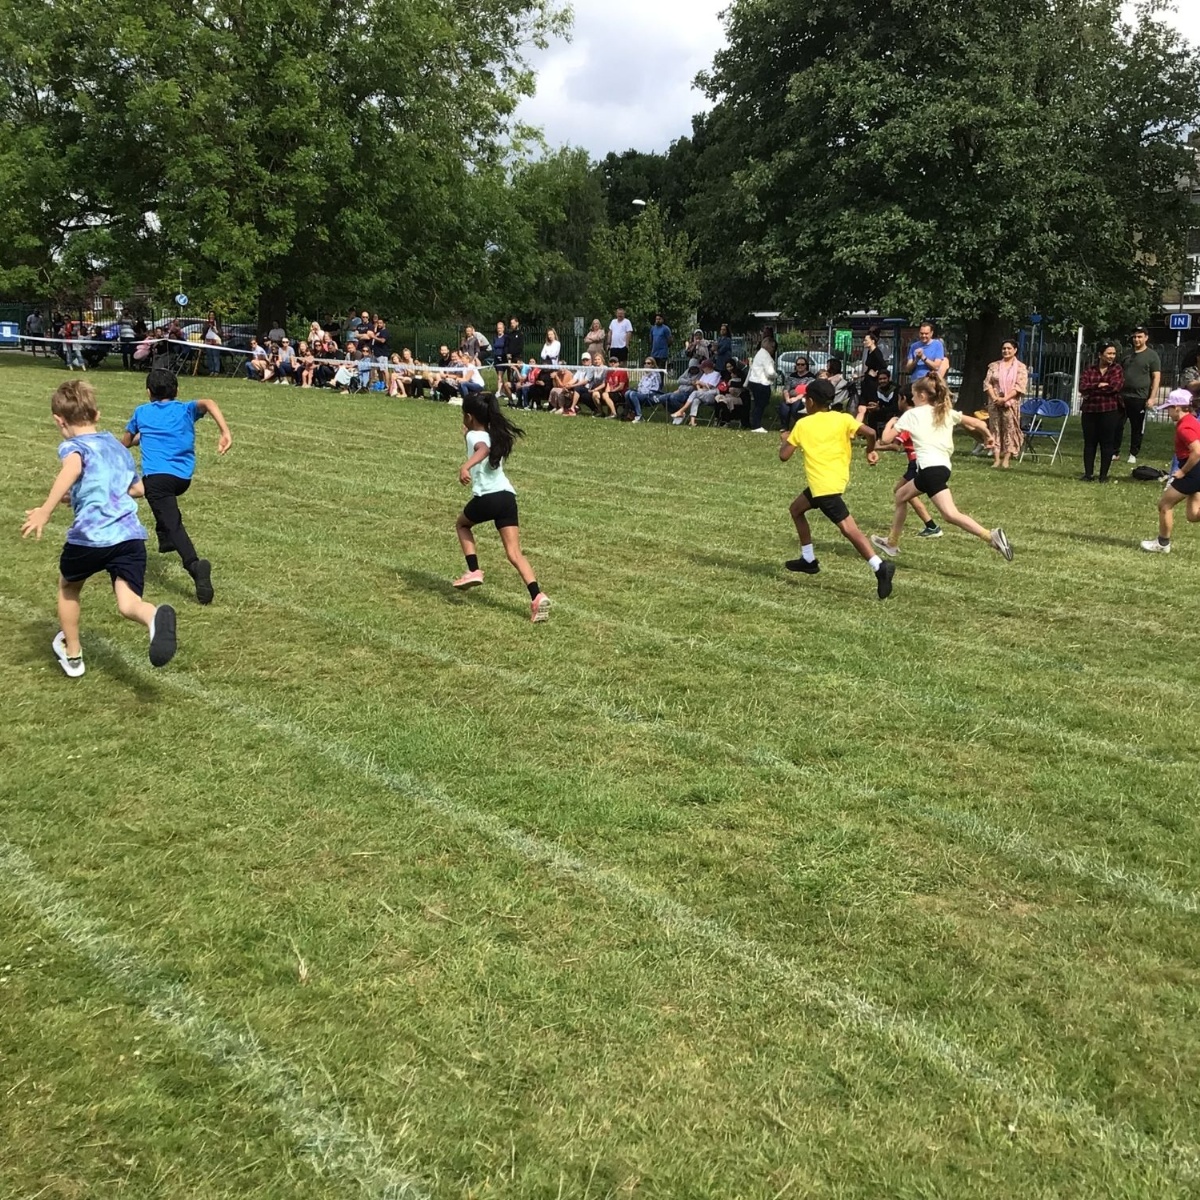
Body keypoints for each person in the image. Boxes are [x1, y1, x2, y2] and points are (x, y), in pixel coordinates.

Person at [20, 379, 178, 676]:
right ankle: (154, 617)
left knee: (68, 587)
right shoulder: (118, 448)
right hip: (129, 537)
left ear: (59, 420)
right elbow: (138, 489)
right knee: (128, 602)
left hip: (90, 538)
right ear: (97, 415)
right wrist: (85, 493)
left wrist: (45, 509)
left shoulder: (73, 447)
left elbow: (74, 468)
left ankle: (74, 654)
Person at [121, 367, 232, 605]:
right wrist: (225, 432)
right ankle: (165, 539)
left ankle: (194, 565)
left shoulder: (141, 412)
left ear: (148, 392)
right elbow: (210, 403)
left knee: (172, 522)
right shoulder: (185, 409)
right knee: (164, 508)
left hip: (157, 479)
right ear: (177, 390)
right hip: (182, 478)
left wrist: (129, 441)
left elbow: (126, 443)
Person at [777, 377, 895, 600]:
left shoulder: (803, 424)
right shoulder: (843, 419)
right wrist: (870, 450)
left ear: (810, 402)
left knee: (849, 529)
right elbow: (870, 433)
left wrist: (785, 439)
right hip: (833, 481)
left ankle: (879, 566)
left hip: (823, 487)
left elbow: (784, 456)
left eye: (805, 400)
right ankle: (808, 559)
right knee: (796, 509)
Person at [874, 374, 1011, 560]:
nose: (912, 399)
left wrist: (891, 422)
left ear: (922, 395)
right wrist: (988, 436)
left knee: (949, 514)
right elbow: (978, 423)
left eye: (913, 395)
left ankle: (990, 536)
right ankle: (891, 542)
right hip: (942, 469)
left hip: (929, 470)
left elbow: (886, 439)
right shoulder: (945, 411)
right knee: (904, 497)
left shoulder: (912, 414)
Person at [451, 392, 550, 622]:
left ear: (468, 416)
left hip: (488, 497)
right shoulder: (493, 434)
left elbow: (481, 450)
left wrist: (465, 467)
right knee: (515, 553)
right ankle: (537, 596)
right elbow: (484, 445)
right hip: (507, 497)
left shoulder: (476, 436)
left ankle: (474, 570)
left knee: (462, 525)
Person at [870, 388, 942, 548]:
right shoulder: (917, 416)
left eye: (898, 399)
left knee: (904, 493)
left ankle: (931, 526)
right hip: (918, 463)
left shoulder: (909, 419)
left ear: (903, 399)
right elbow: (896, 444)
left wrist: (889, 424)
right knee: (901, 491)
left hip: (917, 464)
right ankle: (930, 526)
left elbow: (892, 444)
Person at [1140, 389, 1200, 554]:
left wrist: (1182, 471)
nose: (1168, 411)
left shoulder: (1185, 427)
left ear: (1178, 407)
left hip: (1193, 471)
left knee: (1165, 504)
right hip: (1196, 471)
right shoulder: (1192, 421)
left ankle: (1162, 543)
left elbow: (1197, 451)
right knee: (1193, 514)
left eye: (1169, 407)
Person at [1078, 342, 1124, 482]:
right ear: (1100, 355)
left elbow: (1115, 387)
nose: (1111, 356)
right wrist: (1098, 385)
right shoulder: (1090, 370)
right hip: (1090, 410)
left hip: (1109, 410)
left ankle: (1103, 475)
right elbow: (1082, 387)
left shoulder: (1117, 369)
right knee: (1090, 443)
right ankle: (1088, 474)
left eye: (1113, 354)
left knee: (1107, 443)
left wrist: (1092, 390)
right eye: (1108, 353)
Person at [1117, 326, 1162, 465]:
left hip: (1139, 397)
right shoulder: (1126, 354)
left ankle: (1133, 453)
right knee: (1116, 425)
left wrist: (1152, 397)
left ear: (1146, 338)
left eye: (1140, 336)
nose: (1137, 339)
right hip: (1122, 396)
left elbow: (1156, 377)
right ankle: (1114, 452)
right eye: (1135, 337)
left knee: (1137, 427)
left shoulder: (1152, 356)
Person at [983, 338, 1028, 469]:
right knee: (995, 429)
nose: (1006, 351)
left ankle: (1006, 458)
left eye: (1009, 348)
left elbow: (1020, 386)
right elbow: (987, 384)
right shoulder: (994, 366)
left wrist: (1006, 399)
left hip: (1010, 403)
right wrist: (995, 398)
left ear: (1015, 350)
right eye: (1004, 348)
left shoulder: (1020, 367)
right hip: (994, 402)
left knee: (1010, 430)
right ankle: (996, 458)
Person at [672, 360, 722, 425]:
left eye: (703, 367)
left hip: (711, 395)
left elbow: (709, 386)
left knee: (695, 393)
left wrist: (701, 384)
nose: (702, 369)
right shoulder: (704, 374)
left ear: (707, 367)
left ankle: (681, 411)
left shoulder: (716, 374)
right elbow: (697, 383)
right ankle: (692, 421)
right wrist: (699, 389)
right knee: (695, 400)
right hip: (702, 393)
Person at [746, 337, 777, 432]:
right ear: (770, 346)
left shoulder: (759, 354)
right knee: (760, 405)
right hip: (761, 383)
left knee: (757, 405)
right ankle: (756, 426)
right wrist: (776, 375)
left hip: (754, 381)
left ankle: (755, 424)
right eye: (773, 347)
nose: (773, 350)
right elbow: (770, 372)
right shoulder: (766, 356)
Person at [626, 358, 662, 423]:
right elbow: (640, 386)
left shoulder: (656, 375)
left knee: (632, 394)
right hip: (641, 394)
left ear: (653, 365)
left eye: (648, 363)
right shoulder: (644, 375)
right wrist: (636, 389)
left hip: (649, 396)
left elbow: (656, 388)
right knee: (627, 393)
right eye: (645, 363)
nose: (646, 365)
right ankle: (632, 412)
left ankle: (639, 416)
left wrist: (643, 392)